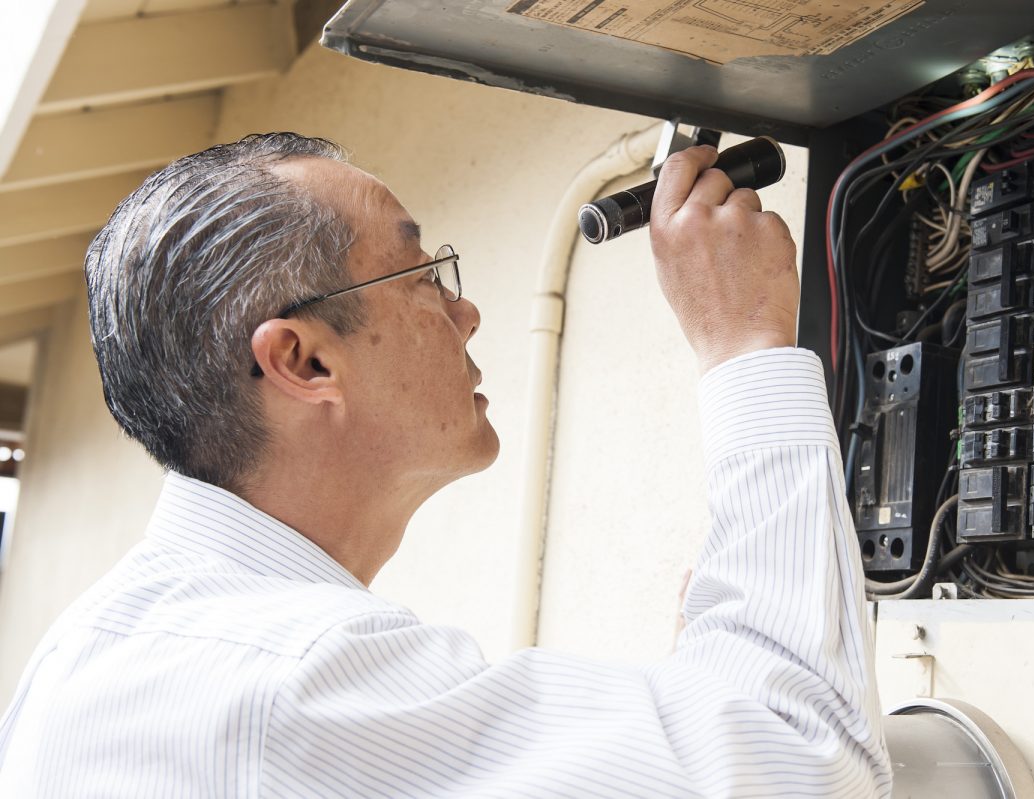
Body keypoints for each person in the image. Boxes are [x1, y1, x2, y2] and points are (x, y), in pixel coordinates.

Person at [0, 133, 891, 797]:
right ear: (304, 362)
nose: (465, 315)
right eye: (423, 275)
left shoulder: (103, 654)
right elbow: (808, 759)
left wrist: (700, 691)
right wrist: (746, 344)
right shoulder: (293, 679)